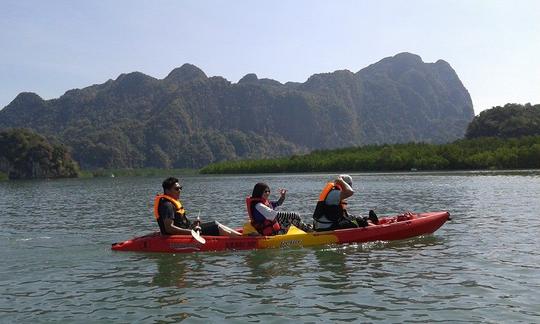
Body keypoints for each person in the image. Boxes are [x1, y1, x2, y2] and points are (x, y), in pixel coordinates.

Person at [154, 177, 241, 237]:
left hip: (187, 230)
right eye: (176, 189)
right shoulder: (167, 205)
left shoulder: (172, 203)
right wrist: (192, 232)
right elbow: (169, 229)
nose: (179, 191)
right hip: (179, 236)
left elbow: (180, 223)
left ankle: (240, 236)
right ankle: (243, 240)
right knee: (216, 227)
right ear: (167, 191)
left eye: (180, 188)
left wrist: (193, 225)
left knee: (215, 223)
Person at [312, 174, 378, 231]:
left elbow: (343, 214)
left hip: (325, 224)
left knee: (356, 218)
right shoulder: (335, 193)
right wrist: (341, 181)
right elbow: (350, 192)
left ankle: (370, 221)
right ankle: (376, 229)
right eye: (349, 185)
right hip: (328, 227)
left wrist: (356, 217)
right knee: (358, 221)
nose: (351, 186)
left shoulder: (335, 192)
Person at [246, 182, 313, 235]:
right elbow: (276, 215)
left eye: (268, 191)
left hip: (270, 229)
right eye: (265, 191)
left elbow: (277, 203)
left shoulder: (263, 203)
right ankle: (311, 231)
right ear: (259, 192)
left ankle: (308, 228)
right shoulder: (259, 206)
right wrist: (294, 215)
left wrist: (282, 197)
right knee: (291, 218)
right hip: (269, 234)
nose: (268, 193)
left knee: (291, 218)